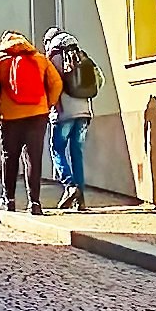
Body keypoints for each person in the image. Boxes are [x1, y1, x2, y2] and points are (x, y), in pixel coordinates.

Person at [0, 33, 56, 213]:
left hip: (10, 116)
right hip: (38, 115)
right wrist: (47, 104)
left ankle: (9, 200)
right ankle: (35, 204)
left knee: (9, 157)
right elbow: (56, 82)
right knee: (33, 158)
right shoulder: (40, 59)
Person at [43, 31, 100, 213]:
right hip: (84, 113)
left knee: (57, 149)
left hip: (63, 114)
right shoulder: (81, 55)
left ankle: (69, 185)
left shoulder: (53, 58)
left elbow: (50, 84)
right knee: (77, 153)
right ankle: (80, 201)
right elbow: (100, 80)